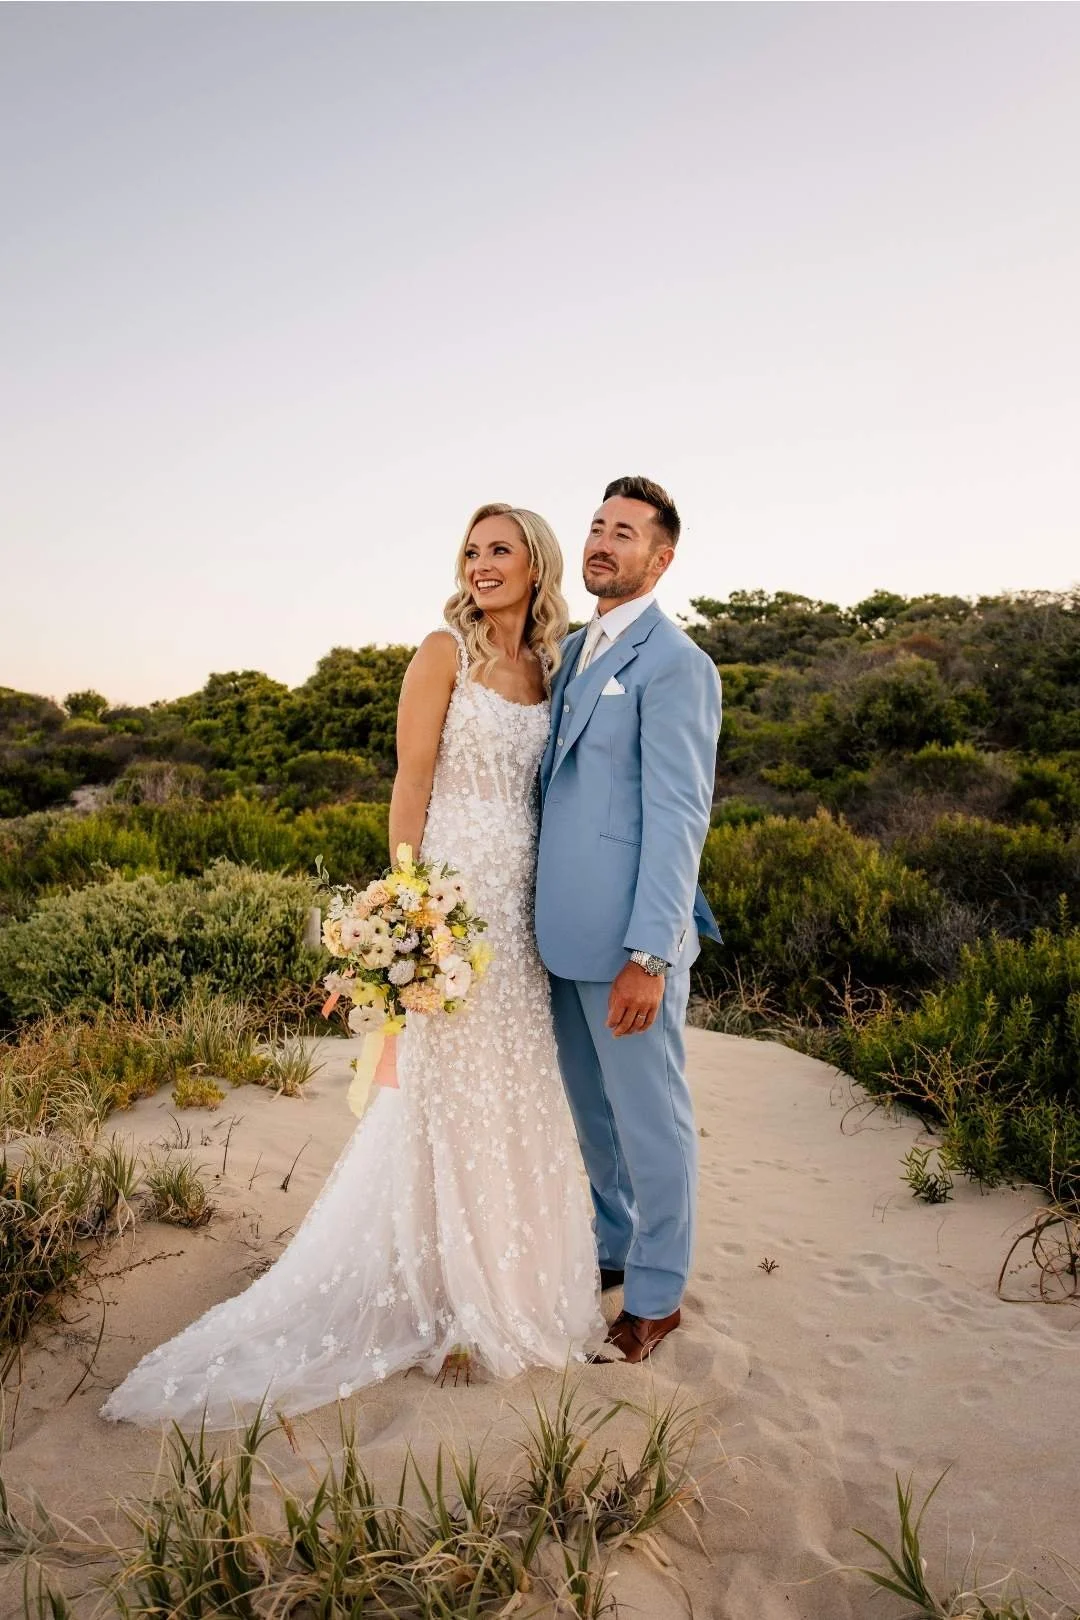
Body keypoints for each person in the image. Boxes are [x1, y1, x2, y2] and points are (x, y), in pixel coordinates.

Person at [101, 503, 603, 1428]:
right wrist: (411, 908)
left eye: (501, 550)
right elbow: (411, 781)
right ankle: (447, 1300)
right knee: (446, 1094)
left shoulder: (554, 665)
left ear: (539, 564)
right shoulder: (441, 651)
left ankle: (513, 1284)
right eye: (472, 550)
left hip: (521, 907)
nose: (482, 564)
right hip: (450, 898)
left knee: (516, 1086)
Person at [536, 476, 723, 1365]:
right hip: (559, 937)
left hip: (628, 945)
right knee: (593, 1118)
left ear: (662, 556)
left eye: (626, 532)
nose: (604, 543)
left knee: (651, 1119)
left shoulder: (677, 663)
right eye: (598, 527)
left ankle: (655, 1296)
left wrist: (651, 952)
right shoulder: (572, 652)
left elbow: (680, 817)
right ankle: (613, 1246)